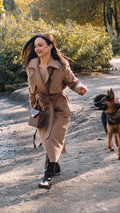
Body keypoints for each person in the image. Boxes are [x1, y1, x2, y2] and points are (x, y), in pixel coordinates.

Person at [21, 33, 87, 189]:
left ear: (50, 46)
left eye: (40, 45)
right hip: (41, 107)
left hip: (59, 108)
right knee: (47, 141)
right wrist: (33, 109)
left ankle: (47, 175)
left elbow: (73, 82)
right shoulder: (31, 65)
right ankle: (55, 166)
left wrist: (80, 89)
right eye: (35, 46)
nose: (37, 48)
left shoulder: (61, 65)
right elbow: (31, 90)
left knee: (52, 139)